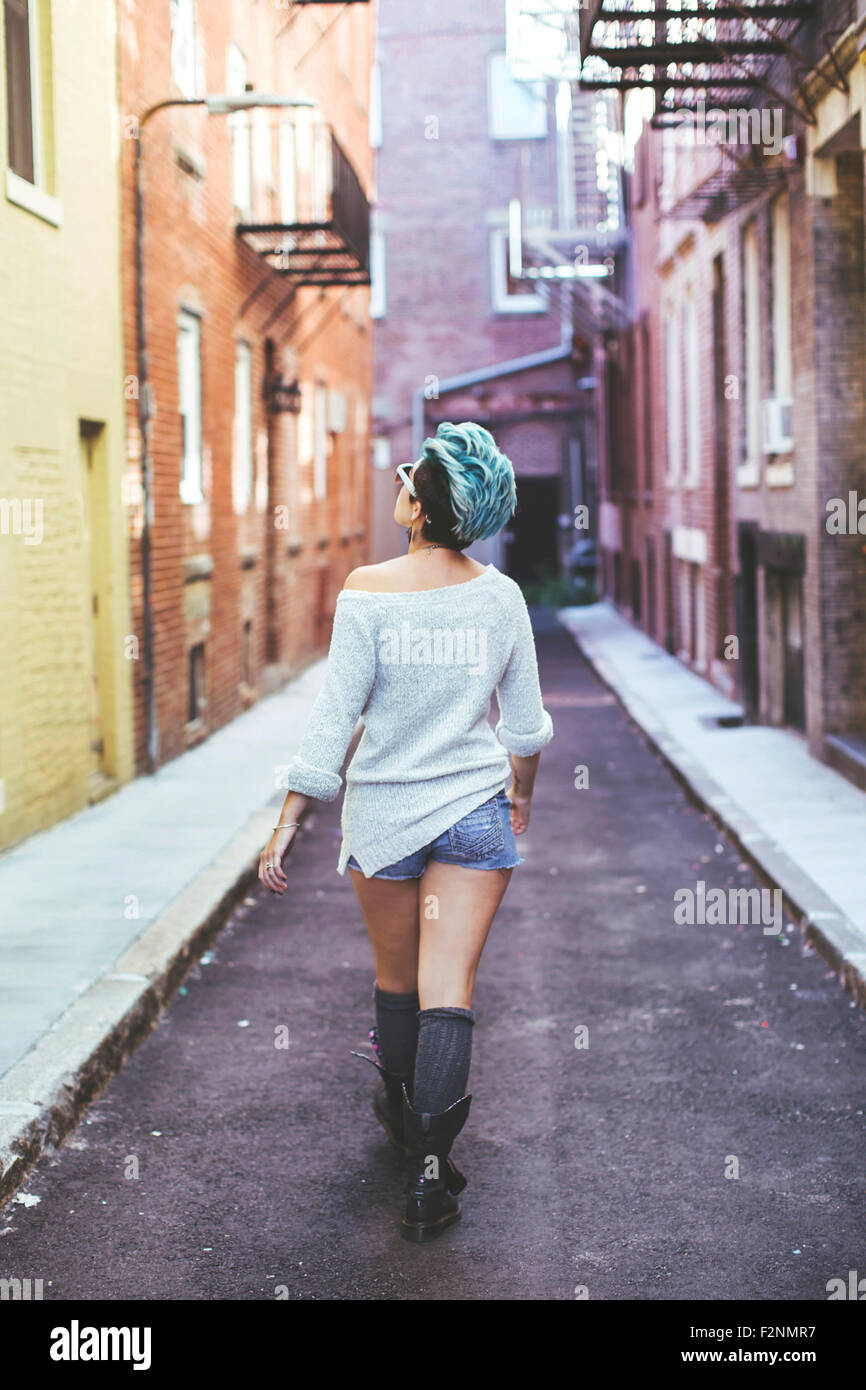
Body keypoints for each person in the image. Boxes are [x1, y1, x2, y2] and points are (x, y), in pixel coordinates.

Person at [258, 421, 554, 1242]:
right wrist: (519, 795)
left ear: (421, 506)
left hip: (385, 819)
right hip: (472, 815)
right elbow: (524, 728)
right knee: (447, 988)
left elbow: (332, 720)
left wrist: (288, 819)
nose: (398, 486)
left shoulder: (367, 589)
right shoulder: (501, 598)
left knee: (398, 980)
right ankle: (432, 1175)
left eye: (406, 478)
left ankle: (398, 1117)